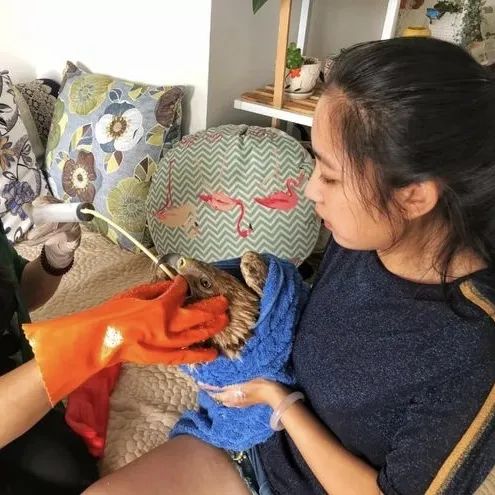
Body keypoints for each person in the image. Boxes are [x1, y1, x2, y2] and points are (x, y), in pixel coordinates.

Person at [84, 37, 495, 495]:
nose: (310, 190)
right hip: (249, 441)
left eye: (330, 176)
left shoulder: (472, 347)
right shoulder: (363, 239)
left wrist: (280, 402)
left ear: (414, 196)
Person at [0, 198, 230, 494]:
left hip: (19, 379)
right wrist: (93, 342)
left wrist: (55, 257)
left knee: (68, 471)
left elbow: (19, 291)